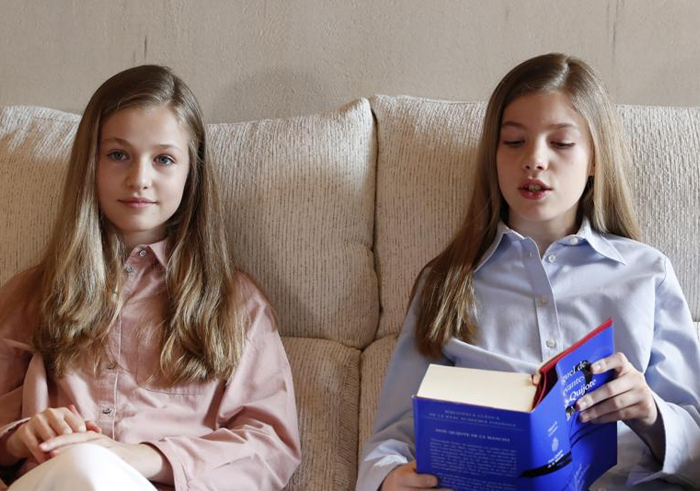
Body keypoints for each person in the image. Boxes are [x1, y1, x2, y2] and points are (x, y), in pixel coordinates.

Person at [356, 53, 700, 491]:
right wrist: (388, 481)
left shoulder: (646, 274)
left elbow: (695, 450)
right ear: (494, 156)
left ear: (594, 159)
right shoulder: (446, 283)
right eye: (514, 142)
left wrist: (650, 412)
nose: (534, 160)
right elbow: (391, 440)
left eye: (560, 143)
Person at [0, 65, 301, 490]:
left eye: (163, 159)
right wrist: (18, 438)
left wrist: (141, 458)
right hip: (53, 480)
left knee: (90, 467)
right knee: (81, 469)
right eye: (118, 154)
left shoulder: (233, 303)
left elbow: (271, 446)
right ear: (91, 164)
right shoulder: (32, 294)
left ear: (190, 174)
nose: (139, 179)